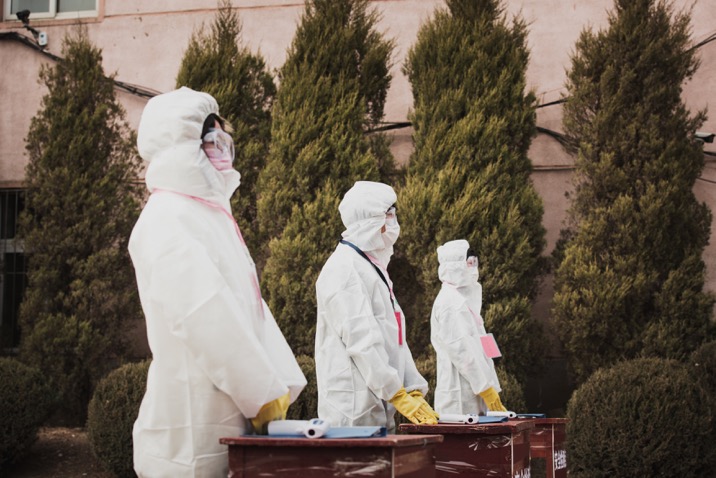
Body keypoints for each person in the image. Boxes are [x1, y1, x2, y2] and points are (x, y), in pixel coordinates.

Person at [129, 87, 306, 477]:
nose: (222, 149)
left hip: (231, 415)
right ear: (181, 145)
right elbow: (203, 314)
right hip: (190, 427)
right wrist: (260, 394)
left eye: (225, 140)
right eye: (211, 139)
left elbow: (250, 308)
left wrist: (278, 385)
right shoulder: (166, 216)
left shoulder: (210, 215)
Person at [315, 181, 439, 431]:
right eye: (388, 215)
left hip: (378, 400)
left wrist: (412, 388)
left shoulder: (370, 267)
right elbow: (362, 340)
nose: (393, 223)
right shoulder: (345, 269)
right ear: (369, 220)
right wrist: (395, 392)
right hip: (353, 408)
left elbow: (394, 338)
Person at [430, 239, 507, 416]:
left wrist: (488, 385)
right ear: (455, 266)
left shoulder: (462, 301)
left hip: (474, 390)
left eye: (474, 263)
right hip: (459, 396)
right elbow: (461, 351)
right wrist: (485, 388)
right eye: (469, 263)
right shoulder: (450, 304)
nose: (473, 269)